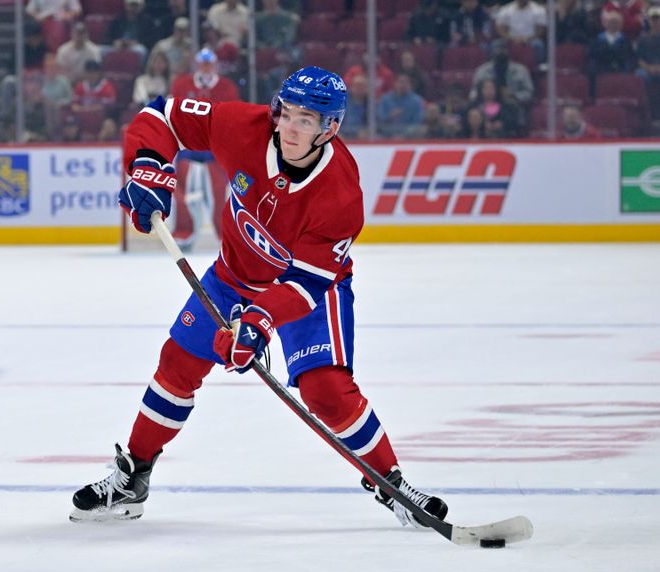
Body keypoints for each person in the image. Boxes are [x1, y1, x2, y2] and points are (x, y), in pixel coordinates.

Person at [69, 66, 450, 530]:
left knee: (325, 390)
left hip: (306, 288)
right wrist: (149, 167)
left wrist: (258, 323)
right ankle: (133, 479)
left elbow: (306, 284)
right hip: (233, 275)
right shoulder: (242, 126)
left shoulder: (341, 194)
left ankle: (390, 483)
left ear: (330, 129)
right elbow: (162, 117)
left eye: (306, 120)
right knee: (177, 364)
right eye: (287, 114)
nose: (290, 128)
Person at [168, 47, 240, 250]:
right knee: (182, 189)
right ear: (197, 65)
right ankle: (185, 232)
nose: (206, 68)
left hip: (215, 149)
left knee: (219, 191)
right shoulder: (181, 84)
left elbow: (233, 118)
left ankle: (225, 235)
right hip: (187, 146)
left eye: (210, 64)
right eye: (203, 63)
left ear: (215, 65)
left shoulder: (227, 87)